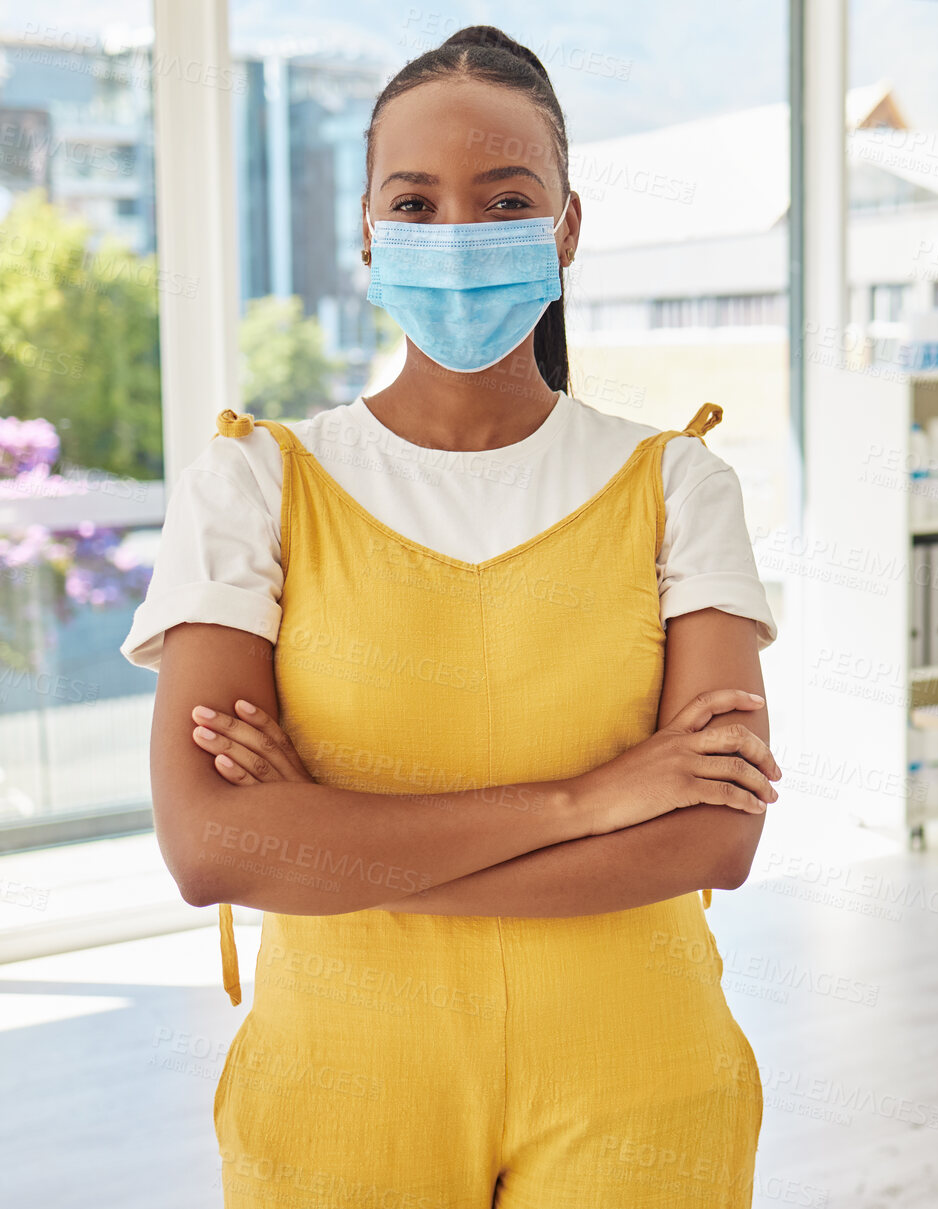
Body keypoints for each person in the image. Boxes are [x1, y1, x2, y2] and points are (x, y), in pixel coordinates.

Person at [119, 25, 780, 1207]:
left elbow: (713, 841)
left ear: (566, 226)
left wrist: (325, 844)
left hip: (640, 1074)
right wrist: (588, 802)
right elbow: (212, 849)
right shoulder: (255, 484)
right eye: (414, 202)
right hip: (340, 1084)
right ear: (367, 231)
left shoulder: (680, 486)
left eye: (505, 197)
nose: (457, 235)